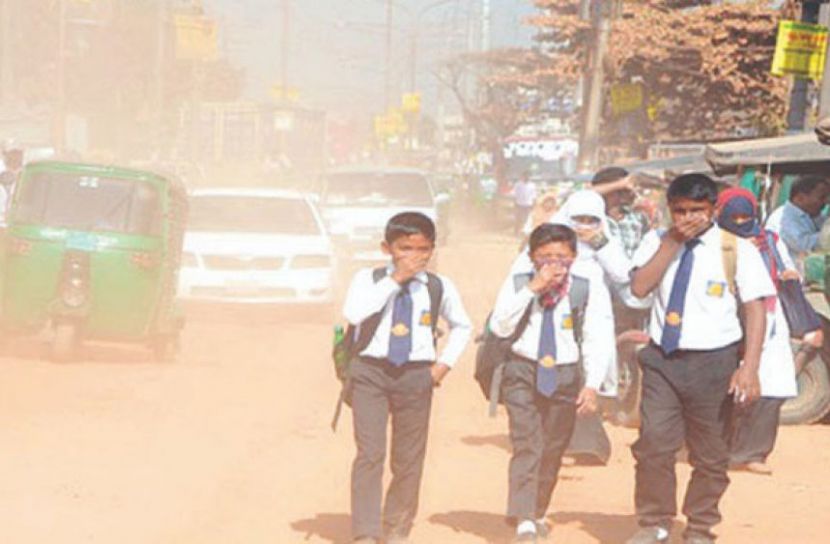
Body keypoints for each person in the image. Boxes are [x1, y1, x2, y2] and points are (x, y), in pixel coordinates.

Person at [626, 174, 775, 544]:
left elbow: (755, 309)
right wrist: (671, 242)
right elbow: (640, 287)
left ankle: (699, 526)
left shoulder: (736, 249)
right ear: (669, 210)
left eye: (697, 211)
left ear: (713, 209)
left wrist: (749, 368)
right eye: (679, 211)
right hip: (663, 359)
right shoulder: (656, 242)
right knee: (655, 445)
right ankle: (655, 522)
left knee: (710, 454)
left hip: (714, 363)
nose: (688, 218)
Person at [342, 212, 472, 544]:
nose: (414, 257)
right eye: (405, 248)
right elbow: (355, 314)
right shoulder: (368, 279)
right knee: (370, 453)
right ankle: (366, 532)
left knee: (409, 456)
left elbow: (463, 326)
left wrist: (442, 366)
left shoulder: (438, 286)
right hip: (371, 372)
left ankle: (397, 526)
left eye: (423, 249)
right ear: (387, 248)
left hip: (416, 375)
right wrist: (395, 279)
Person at [489, 223, 615, 543]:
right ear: (532, 257)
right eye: (545, 257)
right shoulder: (519, 281)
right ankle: (524, 518)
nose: (555, 264)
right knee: (527, 441)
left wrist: (592, 385)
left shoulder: (586, 286)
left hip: (565, 374)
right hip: (522, 369)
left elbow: (597, 335)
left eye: (562, 256)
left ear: (574, 256)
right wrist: (533, 288)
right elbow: (501, 326)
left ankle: (539, 508)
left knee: (554, 446)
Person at [716, 188, 822, 475]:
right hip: (725, 317)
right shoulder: (715, 243)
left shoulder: (770, 240)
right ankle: (718, 448)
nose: (739, 222)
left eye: (744, 216)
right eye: (733, 216)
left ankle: (753, 452)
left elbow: (787, 267)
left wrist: (789, 275)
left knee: (773, 385)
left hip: (771, 315)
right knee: (725, 385)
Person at [765, 174, 830, 272]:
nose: (826, 202)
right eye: (821, 197)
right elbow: (803, 244)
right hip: (789, 278)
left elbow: (823, 226)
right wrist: (826, 235)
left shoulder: (812, 213)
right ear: (800, 198)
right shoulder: (783, 218)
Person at [0, 138, 24, 226]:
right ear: (4, 155)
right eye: (11, 153)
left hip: (18, 224)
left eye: (17, 153)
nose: (15, 157)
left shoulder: (27, 174)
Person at [512, 172, 537, 236]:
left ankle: (525, 233)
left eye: (528, 176)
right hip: (519, 204)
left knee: (527, 220)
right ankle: (516, 232)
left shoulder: (532, 185)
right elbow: (515, 194)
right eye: (525, 176)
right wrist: (515, 203)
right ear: (522, 176)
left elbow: (534, 196)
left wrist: (534, 205)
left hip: (528, 204)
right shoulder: (518, 184)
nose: (526, 177)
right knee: (518, 219)